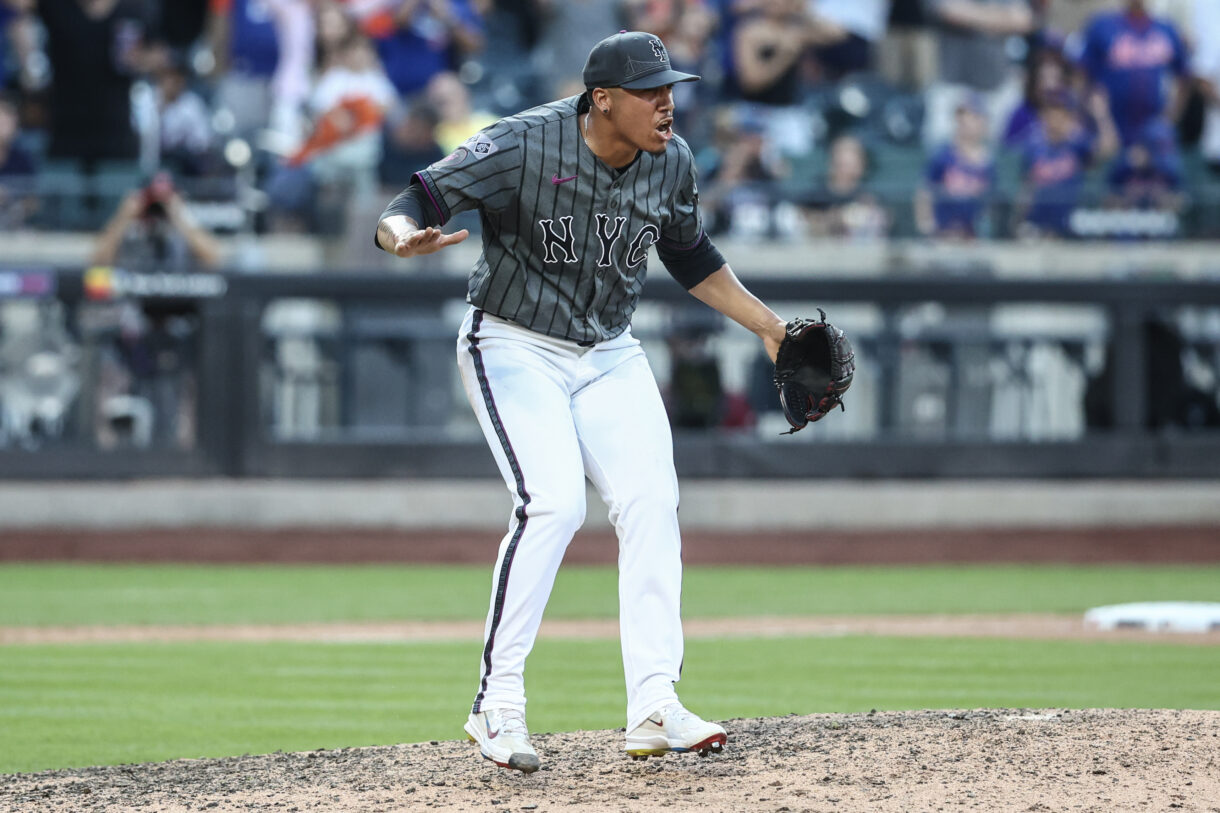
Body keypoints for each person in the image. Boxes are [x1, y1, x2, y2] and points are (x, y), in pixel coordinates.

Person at [375, 30, 795, 773]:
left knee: (651, 500)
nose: (667, 102)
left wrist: (769, 325)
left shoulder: (674, 162)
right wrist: (401, 235)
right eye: (649, 91)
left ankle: (656, 703)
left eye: (671, 88)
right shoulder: (524, 143)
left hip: (608, 351)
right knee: (554, 503)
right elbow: (419, 196)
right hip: (512, 342)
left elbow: (691, 255)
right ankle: (495, 703)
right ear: (602, 98)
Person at [1074, 0, 1189, 148]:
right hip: (1109, 130)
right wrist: (1097, 120)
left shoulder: (1166, 28)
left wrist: (1171, 118)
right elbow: (1081, 76)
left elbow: (1184, 77)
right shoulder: (1102, 25)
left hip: (1153, 131)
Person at [916, 97, 995, 238]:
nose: (966, 121)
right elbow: (925, 192)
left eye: (973, 116)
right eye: (962, 116)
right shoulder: (942, 154)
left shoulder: (988, 160)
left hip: (972, 235)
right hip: (944, 233)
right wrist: (926, 225)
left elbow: (991, 200)